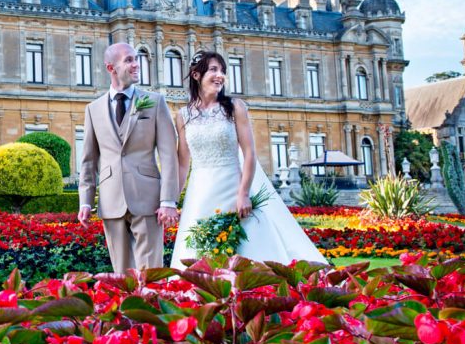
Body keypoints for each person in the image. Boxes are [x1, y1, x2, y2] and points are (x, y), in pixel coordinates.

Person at [170, 51, 326, 268]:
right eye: (214, 69)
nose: (220, 75)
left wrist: (243, 193)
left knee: (247, 246)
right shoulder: (183, 115)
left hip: (232, 186)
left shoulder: (234, 107)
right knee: (197, 250)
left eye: (222, 71)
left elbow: (250, 152)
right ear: (196, 75)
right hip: (200, 192)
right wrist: (171, 201)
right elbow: (182, 162)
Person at [78, 43, 180, 272]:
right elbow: (88, 160)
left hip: (148, 200)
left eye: (136, 59)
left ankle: (152, 308)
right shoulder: (93, 109)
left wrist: (168, 200)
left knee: (151, 274)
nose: (136, 64)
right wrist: (85, 200)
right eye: (129, 60)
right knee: (121, 276)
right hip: (110, 200)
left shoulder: (155, 102)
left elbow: (168, 154)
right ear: (111, 68)